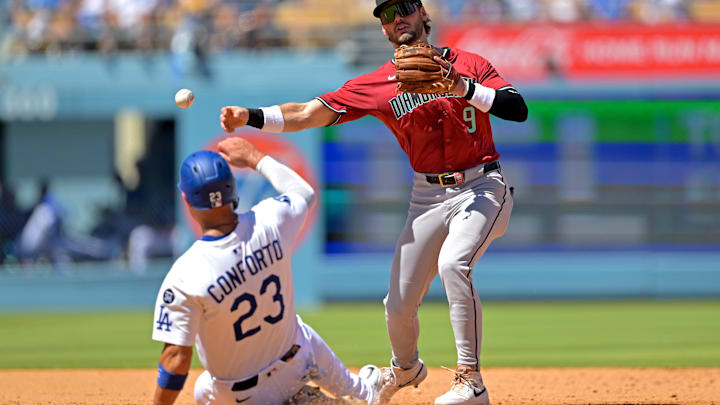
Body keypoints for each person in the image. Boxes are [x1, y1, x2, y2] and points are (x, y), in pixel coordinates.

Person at [217, 1, 528, 404]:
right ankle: (405, 369)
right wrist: (250, 115)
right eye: (386, 15)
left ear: (421, 14)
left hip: (483, 185)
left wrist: (462, 87)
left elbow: (516, 109)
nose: (396, 19)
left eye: (403, 8)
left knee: (455, 263)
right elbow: (309, 112)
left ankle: (471, 381)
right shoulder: (379, 83)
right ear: (382, 29)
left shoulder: (469, 63)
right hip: (427, 195)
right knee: (398, 304)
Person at [151, 137, 383, 405]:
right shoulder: (270, 220)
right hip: (294, 366)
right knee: (301, 332)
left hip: (238, 397)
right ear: (232, 189)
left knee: (203, 387)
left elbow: (176, 360)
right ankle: (360, 394)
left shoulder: (184, 275)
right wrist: (253, 156)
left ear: (186, 199)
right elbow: (304, 192)